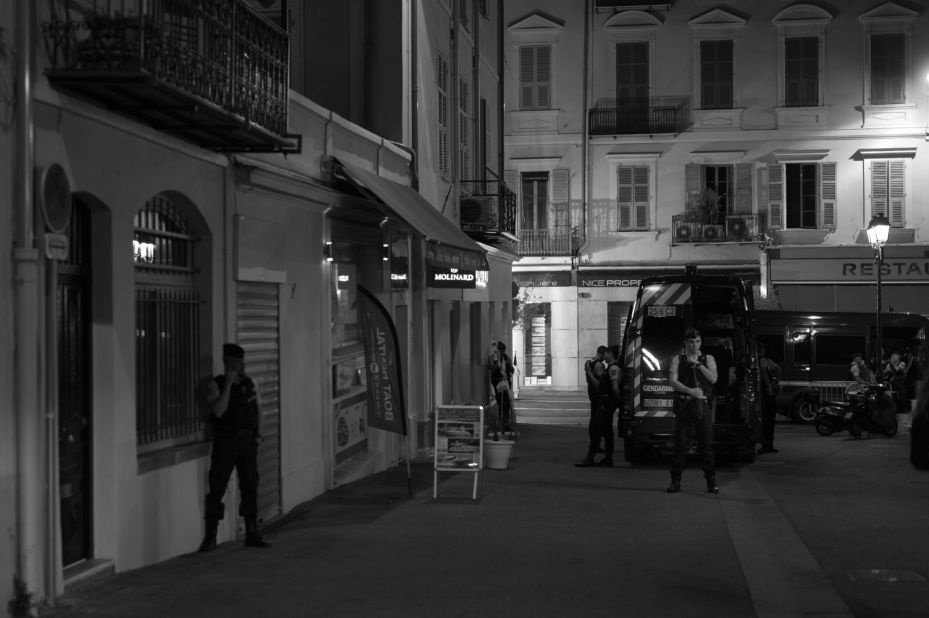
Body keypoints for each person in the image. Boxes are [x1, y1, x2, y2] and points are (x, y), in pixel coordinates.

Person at [199, 343, 271, 552]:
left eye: (240, 362)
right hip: (225, 444)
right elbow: (219, 412)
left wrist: (259, 436)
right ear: (226, 363)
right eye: (235, 363)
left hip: (247, 443)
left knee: (250, 486)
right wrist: (228, 385)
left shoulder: (250, 384)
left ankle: (251, 532)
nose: (239, 366)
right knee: (217, 488)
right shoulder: (216, 385)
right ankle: (210, 536)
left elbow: (259, 410)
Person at [667, 328, 719, 494]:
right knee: (681, 445)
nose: (694, 345)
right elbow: (672, 382)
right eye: (691, 341)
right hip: (685, 406)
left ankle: (711, 482)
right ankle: (675, 481)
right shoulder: (678, 359)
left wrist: (700, 366)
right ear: (685, 343)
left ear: (701, 342)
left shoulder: (708, 359)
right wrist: (690, 391)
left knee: (706, 445)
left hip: (702, 407)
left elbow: (714, 379)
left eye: (697, 341)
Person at [576, 345, 621, 467]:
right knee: (607, 431)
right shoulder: (610, 368)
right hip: (606, 402)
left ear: (610, 353)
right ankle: (607, 458)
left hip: (606, 403)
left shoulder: (613, 368)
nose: (604, 356)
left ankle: (590, 458)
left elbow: (612, 388)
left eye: (606, 353)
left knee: (597, 430)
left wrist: (590, 374)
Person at [576, 346, 607, 466]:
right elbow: (600, 382)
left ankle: (595, 444)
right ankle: (596, 444)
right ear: (603, 353)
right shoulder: (599, 365)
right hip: (598, 396)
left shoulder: (589, 363)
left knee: (593, 420)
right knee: (597, 421)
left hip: (592, 394)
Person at [757, 343, 782, 455]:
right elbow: (769, 372)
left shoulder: (764, 360)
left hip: (768, 392)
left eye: (762, 348)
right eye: (760, 348)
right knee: (768, 420)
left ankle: (767, 445)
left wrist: (771, 385)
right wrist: (771, 385)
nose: (761, 350)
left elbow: (767, 372)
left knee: (768, 419)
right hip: (768, 392)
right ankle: (767, 445)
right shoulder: (765, 360)